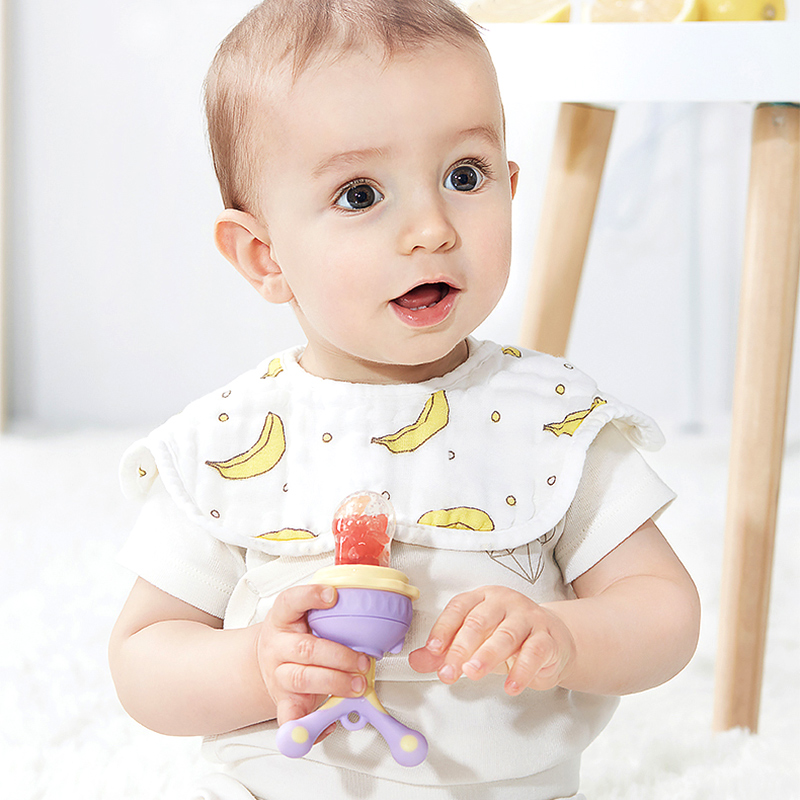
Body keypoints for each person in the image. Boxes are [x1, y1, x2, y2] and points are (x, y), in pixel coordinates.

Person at [108, 1, 701, 798]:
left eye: (464, 176)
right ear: (263, 255)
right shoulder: (232, 440)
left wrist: (565, 634)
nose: (431, 228)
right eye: (360, 194)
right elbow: (142, 659)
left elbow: (664, 613)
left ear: (510, 187)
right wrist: (256, 663)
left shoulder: (553, 419)